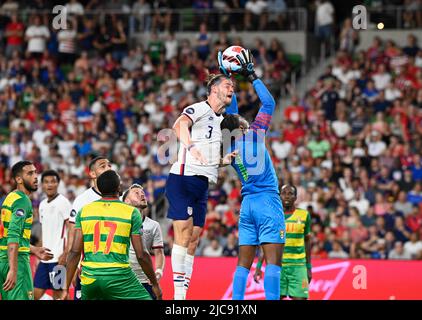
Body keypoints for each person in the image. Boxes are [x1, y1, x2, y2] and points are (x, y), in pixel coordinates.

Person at [219, 49, 285, 300]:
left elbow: (231, 112)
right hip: (268, 201)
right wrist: (252, 76)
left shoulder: (230, 144)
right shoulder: (255, 133)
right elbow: (269, 103)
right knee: (273, 264)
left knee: (242, 265)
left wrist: (228, 79)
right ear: (242, 124)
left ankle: (236, 303)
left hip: (247, 206)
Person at [165, 72, 237, 299]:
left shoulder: (219, 120)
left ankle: (183, 293)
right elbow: (179, 125)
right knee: (184, 235)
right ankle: (178, 297)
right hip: (184, 178)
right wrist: (191, 146)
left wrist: (224, 161)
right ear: (214, 90)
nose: (232, 89)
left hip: (202, 183)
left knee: (194, 239)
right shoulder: (200, 108)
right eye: (228, 85)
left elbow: (210, 157)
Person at [60, 170, 162, 300]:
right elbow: (141, 255)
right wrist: (154, 283)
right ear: (119, 187)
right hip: (120, 277)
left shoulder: (84, 211)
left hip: (90, 278)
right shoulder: (131, 212)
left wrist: (65, 288)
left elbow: (74, 252)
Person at [0, 161, 53, 300]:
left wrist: (34, 250)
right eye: (30, 173)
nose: (35, 176)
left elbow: (8, 236)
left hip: (4, 259)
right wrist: (14, 269)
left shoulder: (10, 198)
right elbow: (13, 235)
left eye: (35, 172)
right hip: (17, 261)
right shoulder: (23, 201)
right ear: (18, 179)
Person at [254, 185, 312, 300]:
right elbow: (265, 244)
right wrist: (258, 267)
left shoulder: (304, 215)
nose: (287, 196)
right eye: (284, 193)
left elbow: (307, 241)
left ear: (295, 197)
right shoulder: (272, 216)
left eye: (290, 193)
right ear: (279, 196)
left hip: (298, 266)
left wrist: (309, 267)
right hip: (276, 266)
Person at [66, 156, 112, 300]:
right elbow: (73, 236)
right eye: (103, 166)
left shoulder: (121, 198)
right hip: (88, 270)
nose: (109, 168)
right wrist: (72, 270)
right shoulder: (82, 200)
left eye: (110, 165)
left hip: (115, 269)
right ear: (92, 174)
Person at [33, 170, 71, 300]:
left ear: (58, 184)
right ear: (42, 185)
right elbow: (46, 231)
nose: (50, 185)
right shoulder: (42, 204)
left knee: (59, 294)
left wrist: (66, 253)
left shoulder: (63, 202)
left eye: (53, 181)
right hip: (45, 258)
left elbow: (71, 229)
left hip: (59, 259)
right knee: (35, 293)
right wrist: (39, 252)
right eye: (46, 182)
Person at [122, 183, 165, 300]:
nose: (142, 195)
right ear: (126, 201)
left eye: (143, 193)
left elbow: (159, 252)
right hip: (122, 280)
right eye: (136, 193)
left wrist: (158, 271)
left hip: (146, 281)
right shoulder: (119, 222)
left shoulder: (153, 225)